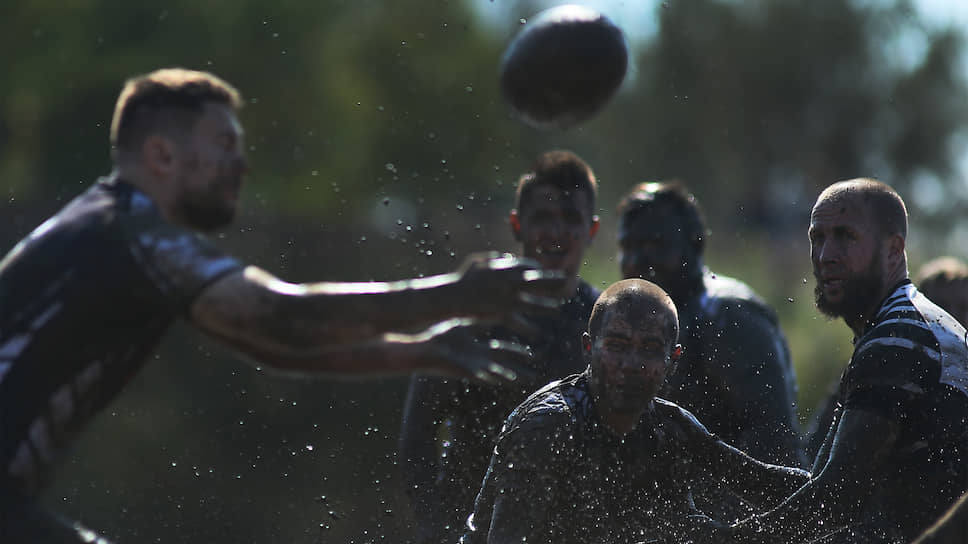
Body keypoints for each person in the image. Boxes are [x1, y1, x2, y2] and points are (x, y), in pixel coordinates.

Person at [0, 68, 567, 543]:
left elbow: (275, 343)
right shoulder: (134, 235)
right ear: (161, 154)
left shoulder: (113, 229)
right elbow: (286, 315)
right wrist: (455, 294)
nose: (242, 164)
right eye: (224, 144)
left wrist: (421, 351)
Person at [460, 279, 810, 544]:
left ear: (672, 361)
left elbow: (761, 482)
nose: (631, 364)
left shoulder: (671, 427)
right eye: (617, 346)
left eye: (649, 350)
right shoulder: (549, 426)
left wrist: (848, 485)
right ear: (589, 348)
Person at [729, 179, 968, 543]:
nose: (826, 256)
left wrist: (722, 537)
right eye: (817, 238)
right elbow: (822, 481)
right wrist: (702, 447)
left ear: (893, 249)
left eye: (846, 237)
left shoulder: (898, 337)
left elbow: (833, 500)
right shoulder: (898, 325)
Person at [398, 150, 600, 544]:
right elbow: (418, 433)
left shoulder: (604, 325)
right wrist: (435, 524)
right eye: (542, 218)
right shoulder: (475, 314)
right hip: (471, 526)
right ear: (517, 225)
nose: (556, 232)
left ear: (591, 230)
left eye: (570, 219)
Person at [616, 181, 803, 522]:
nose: (636, 261)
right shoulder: (645, 317)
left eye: (655, 244)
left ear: (695, 244)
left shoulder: (727, 315)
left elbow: (776, 446)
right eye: (627, 247)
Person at [804, 254, 968, 460]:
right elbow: (815, 451)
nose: (952, 316)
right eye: (942, 306)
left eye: (963, 307)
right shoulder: (874, 369)